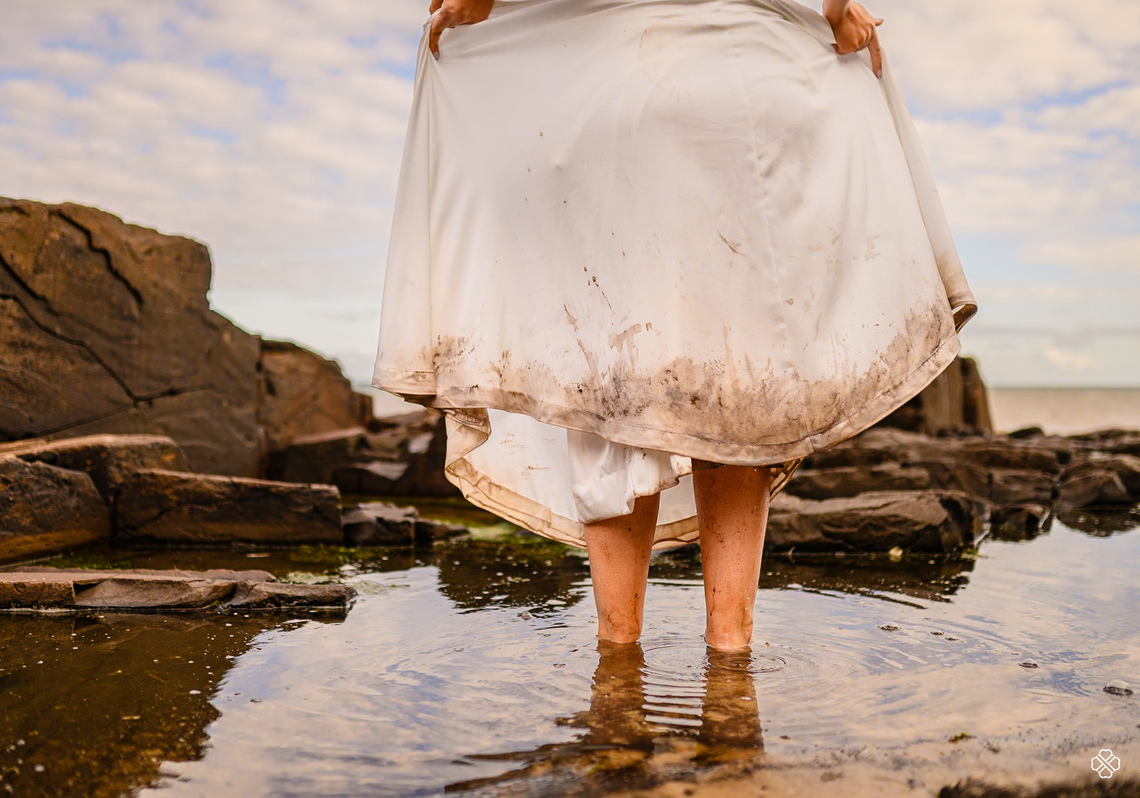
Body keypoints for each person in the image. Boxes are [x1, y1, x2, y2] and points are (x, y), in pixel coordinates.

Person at [373, 0, 977, 651]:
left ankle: (618, 658)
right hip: (745, 81)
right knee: (741, 377)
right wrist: (838, 7)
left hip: (612, 87)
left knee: (611, 371)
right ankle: (730, 654)